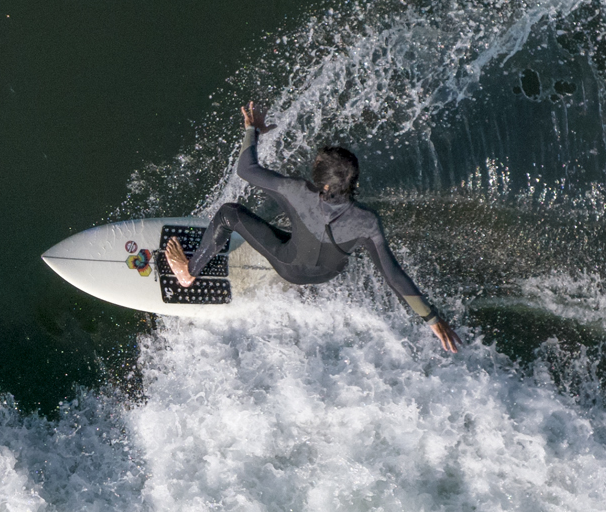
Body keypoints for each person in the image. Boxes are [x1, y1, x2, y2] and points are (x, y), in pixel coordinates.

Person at [166, 103, 461, 353]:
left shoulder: (297, 191)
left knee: (229, 213)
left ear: (324, 183)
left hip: (288, 265)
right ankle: (302, 282)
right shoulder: (367, 222)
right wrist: (432, 318)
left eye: (318, 163)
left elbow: (246, 170)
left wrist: (251, 130)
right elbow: (394, 276)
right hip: (325, 275)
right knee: (310, 238)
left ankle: (188, 272)